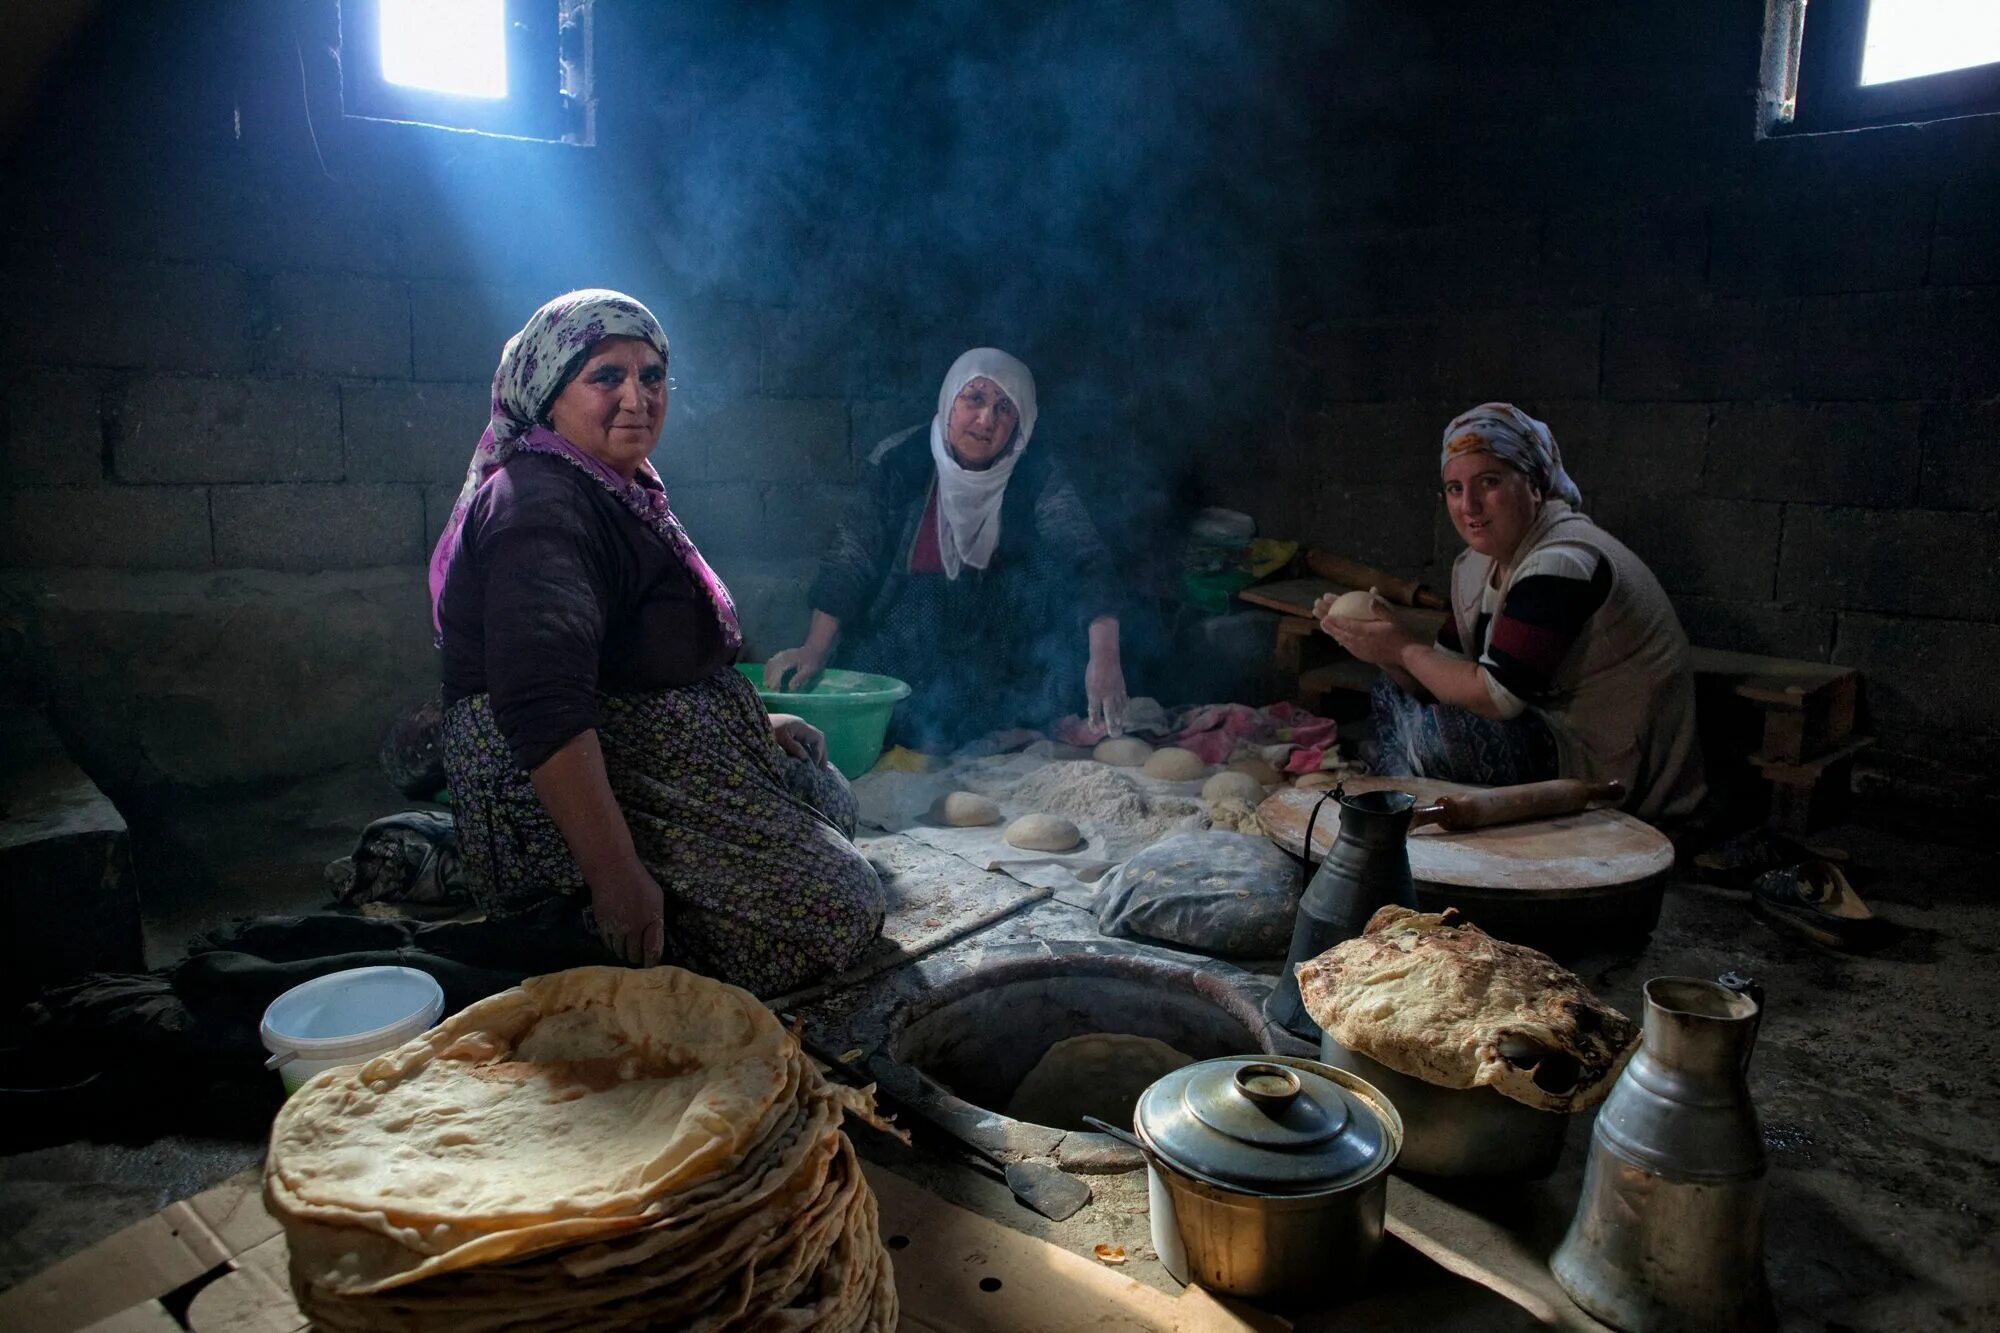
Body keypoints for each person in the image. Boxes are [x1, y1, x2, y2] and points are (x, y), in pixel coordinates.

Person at [429, 289, 884, 996]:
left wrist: (749, 725)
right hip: (544, 775)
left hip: (645, 750)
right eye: (606, 376)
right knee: (840, 909)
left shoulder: (617, 486)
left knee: (827, 797)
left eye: (651, 376)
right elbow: (545, 705)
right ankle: (573, 913)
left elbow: (640, 651)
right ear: (550, 396)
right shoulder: (538, 503)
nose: (637, 397)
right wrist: (616, 875)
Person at [1318, 402, 1705, 822]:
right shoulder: (1475, 565)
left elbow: (1495, 697)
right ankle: (1409, 774)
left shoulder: (1564, 561)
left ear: (1536, 484)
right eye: (1455, 488)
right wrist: (1382, 646)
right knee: (1389, 689)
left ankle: (1406, 777)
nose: (1470, 506)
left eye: (1489, 482)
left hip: (1603, 763)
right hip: (1538, 728)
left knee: (1436, 739)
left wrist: (1403, 648)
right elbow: (1441, 678)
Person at [764, 347, 1128, 748]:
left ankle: (1023, 720)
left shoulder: (1035, 471)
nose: (986, 419)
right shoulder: (901, 461)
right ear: (950, 398)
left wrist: (1105, 660)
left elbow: (1086, 560)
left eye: (1005, 408)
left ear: (1021, 421)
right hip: (907, 635)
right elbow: (852, 557)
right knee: (897, 718)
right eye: (975, 398)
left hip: (1001, 636)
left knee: (1047, 579)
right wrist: (814, 649)